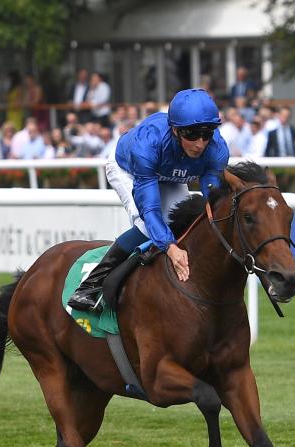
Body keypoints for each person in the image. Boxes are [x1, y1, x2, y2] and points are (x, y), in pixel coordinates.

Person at [68, 88, 229, 313]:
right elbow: (150, 209)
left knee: (187, 218)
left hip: (170, 172)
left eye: (207, 133)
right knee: (147, 226)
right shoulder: (149, 144)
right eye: (192, 134)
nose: (200, 143)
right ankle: (90, 286)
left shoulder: (217, 149)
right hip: (129, 169)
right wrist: (171, 247)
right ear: (175, 130)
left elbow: (213, 199)